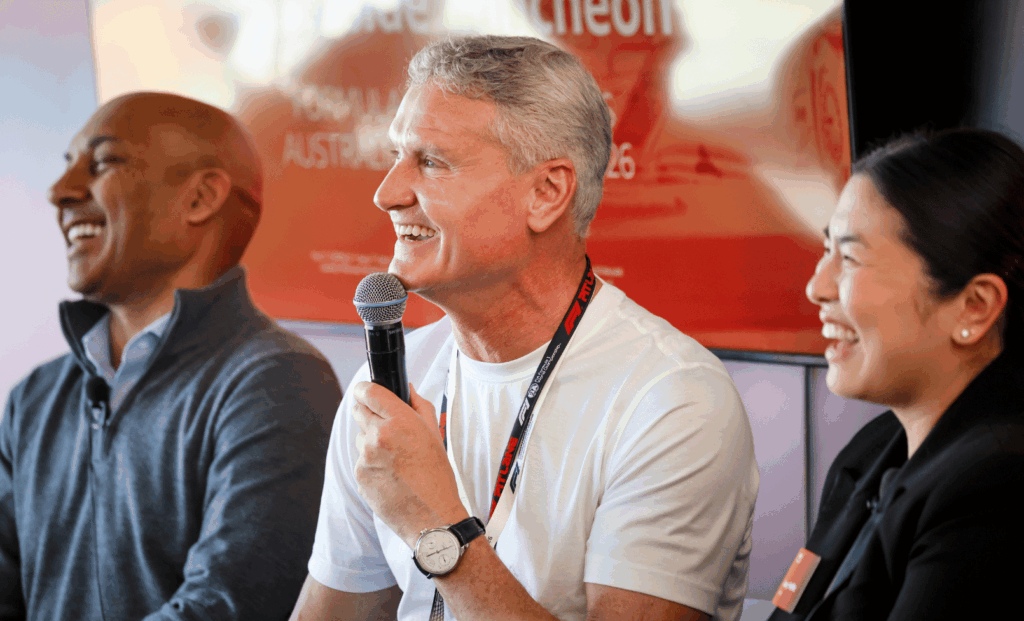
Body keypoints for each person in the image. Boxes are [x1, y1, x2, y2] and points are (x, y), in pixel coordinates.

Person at [290, 35, 759, 621]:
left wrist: (437, 526)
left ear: (546, 193)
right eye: (395, 156)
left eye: (431, 161)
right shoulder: (388, 383)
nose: (387, 193)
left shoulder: (672, 400)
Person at [0, 92, 343, 620]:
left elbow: (226, 607)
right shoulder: (35, 399)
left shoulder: (279, 382)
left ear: (201, 198)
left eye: (103, 162)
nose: (60, 193)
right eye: (67, 167)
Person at [770, 128, 1024, 620]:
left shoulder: (997, 490)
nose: (816, 286)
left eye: (849, 257)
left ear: (974, 307)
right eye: (826, 250)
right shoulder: (874, 450)